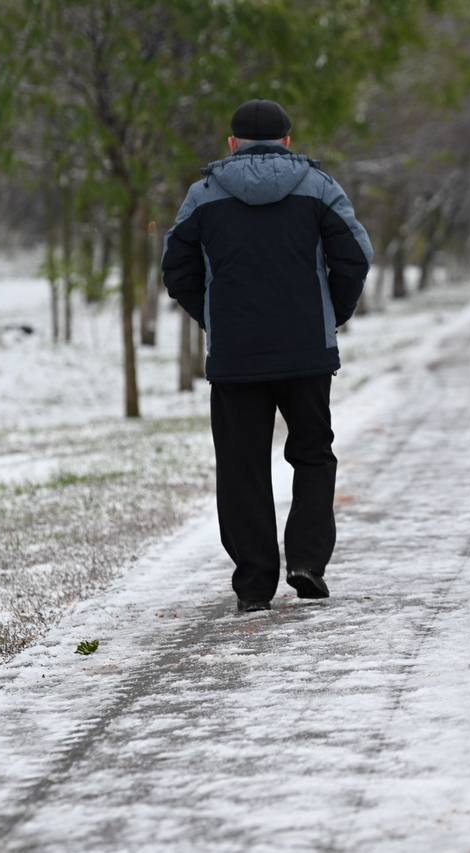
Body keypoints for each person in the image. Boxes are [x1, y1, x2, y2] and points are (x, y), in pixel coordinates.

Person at [161, 99, 373, 614]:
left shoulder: (203, 194)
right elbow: (355, 256)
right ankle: (307, 562)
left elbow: (176, 267)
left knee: (241, 465)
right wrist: (331, 313)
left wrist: (214, 317)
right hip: (306, 350)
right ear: (288, 141)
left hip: (236, 355)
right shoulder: (319, 188)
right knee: (313, 454)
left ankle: (254, 584)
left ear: (232, 143)